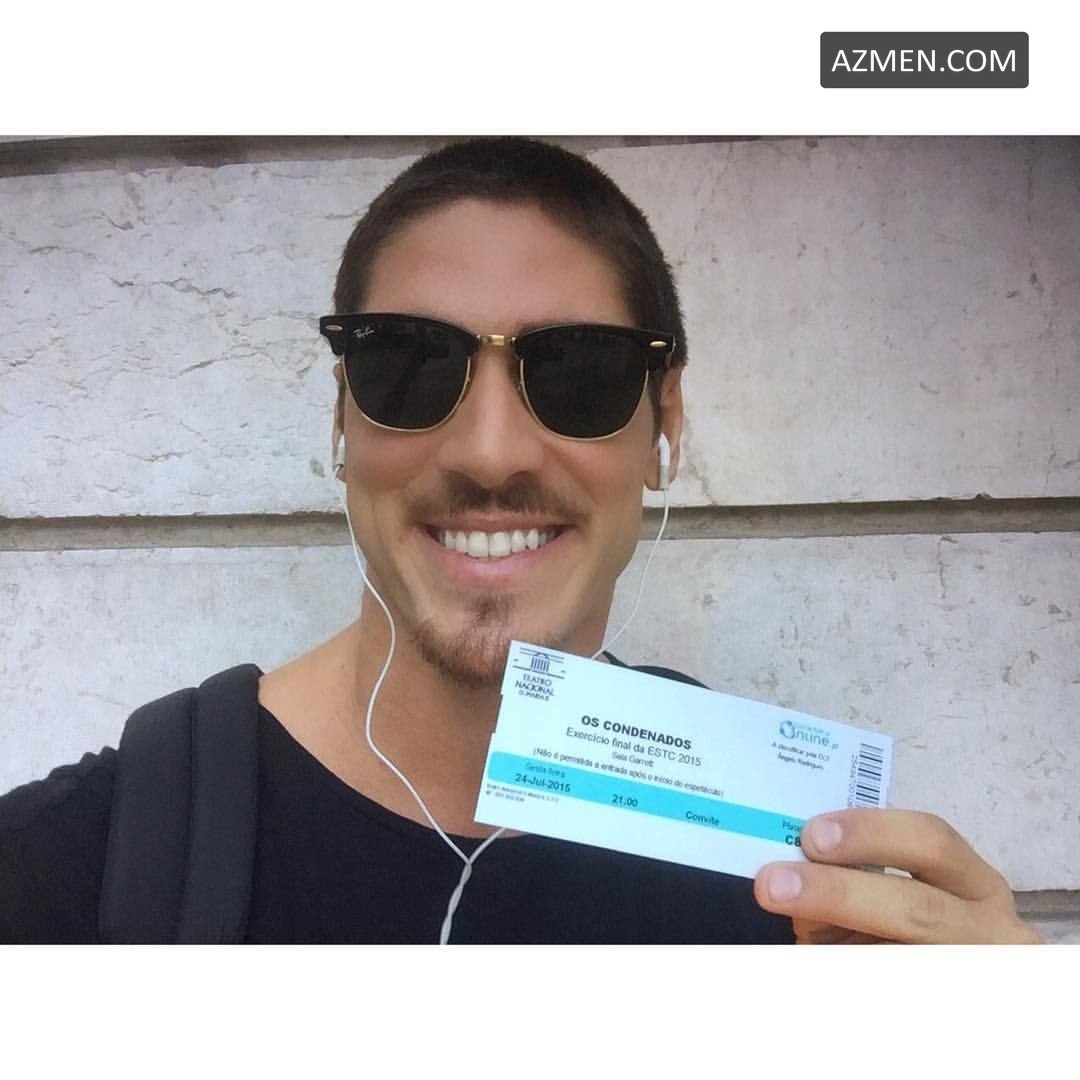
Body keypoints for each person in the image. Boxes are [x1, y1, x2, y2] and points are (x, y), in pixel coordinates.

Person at [0, 137, 1041, 944]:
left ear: (665, 424)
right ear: (343, 417)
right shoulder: (73, 869)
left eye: (578, 371)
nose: (490, 451)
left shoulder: (793, 882)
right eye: (409, 364)